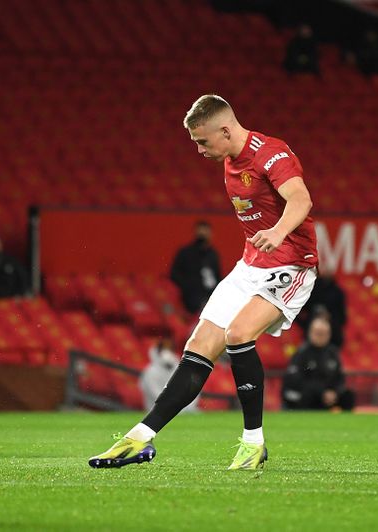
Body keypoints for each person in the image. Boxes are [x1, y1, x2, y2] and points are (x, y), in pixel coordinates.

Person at [89, 94, 318, 471]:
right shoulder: (229, 159)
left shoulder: (272, 154)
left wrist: (278, 231)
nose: (198, 149)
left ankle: (253, 444)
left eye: (202, 141)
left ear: (226, 130)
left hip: (292, 264)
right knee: (199, 346)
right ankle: (140, 438)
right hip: (251, 265)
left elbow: (301, 199)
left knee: (238, 334)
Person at [281, 317, 354, 411]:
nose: (321, 336)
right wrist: (321, 392)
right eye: (318, 333)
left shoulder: (333, 353)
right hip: (305, 395)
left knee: (348, 396)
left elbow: (340, 378)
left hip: (328, 394)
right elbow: (295, 380)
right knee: (309, 394)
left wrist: (334, 392)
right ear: (310, 332)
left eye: (325, 333)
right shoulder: (302, 353)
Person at [169, 220, 221, 314]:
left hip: (212, 294)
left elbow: (217, 275)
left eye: (205, 231)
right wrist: (187, 286)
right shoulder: (185, 252)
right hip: (193, 296)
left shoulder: (213, 254)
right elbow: (174, 273)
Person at [140, 336, 199, 413]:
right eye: (164, 349)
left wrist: (186, 407)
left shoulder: (181, 369)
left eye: (169, 349)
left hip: (183, 411)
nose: (167, 353)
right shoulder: (150, 372)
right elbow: (156, 396)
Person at [299, 268, 347, 347]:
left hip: (333, 338)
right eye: (318, 333)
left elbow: (342, 317)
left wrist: (331, 318)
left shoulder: (337, 292)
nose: (320, 336)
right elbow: (300, 310)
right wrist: (306, 322)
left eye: (323, 333)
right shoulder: (312, 290)